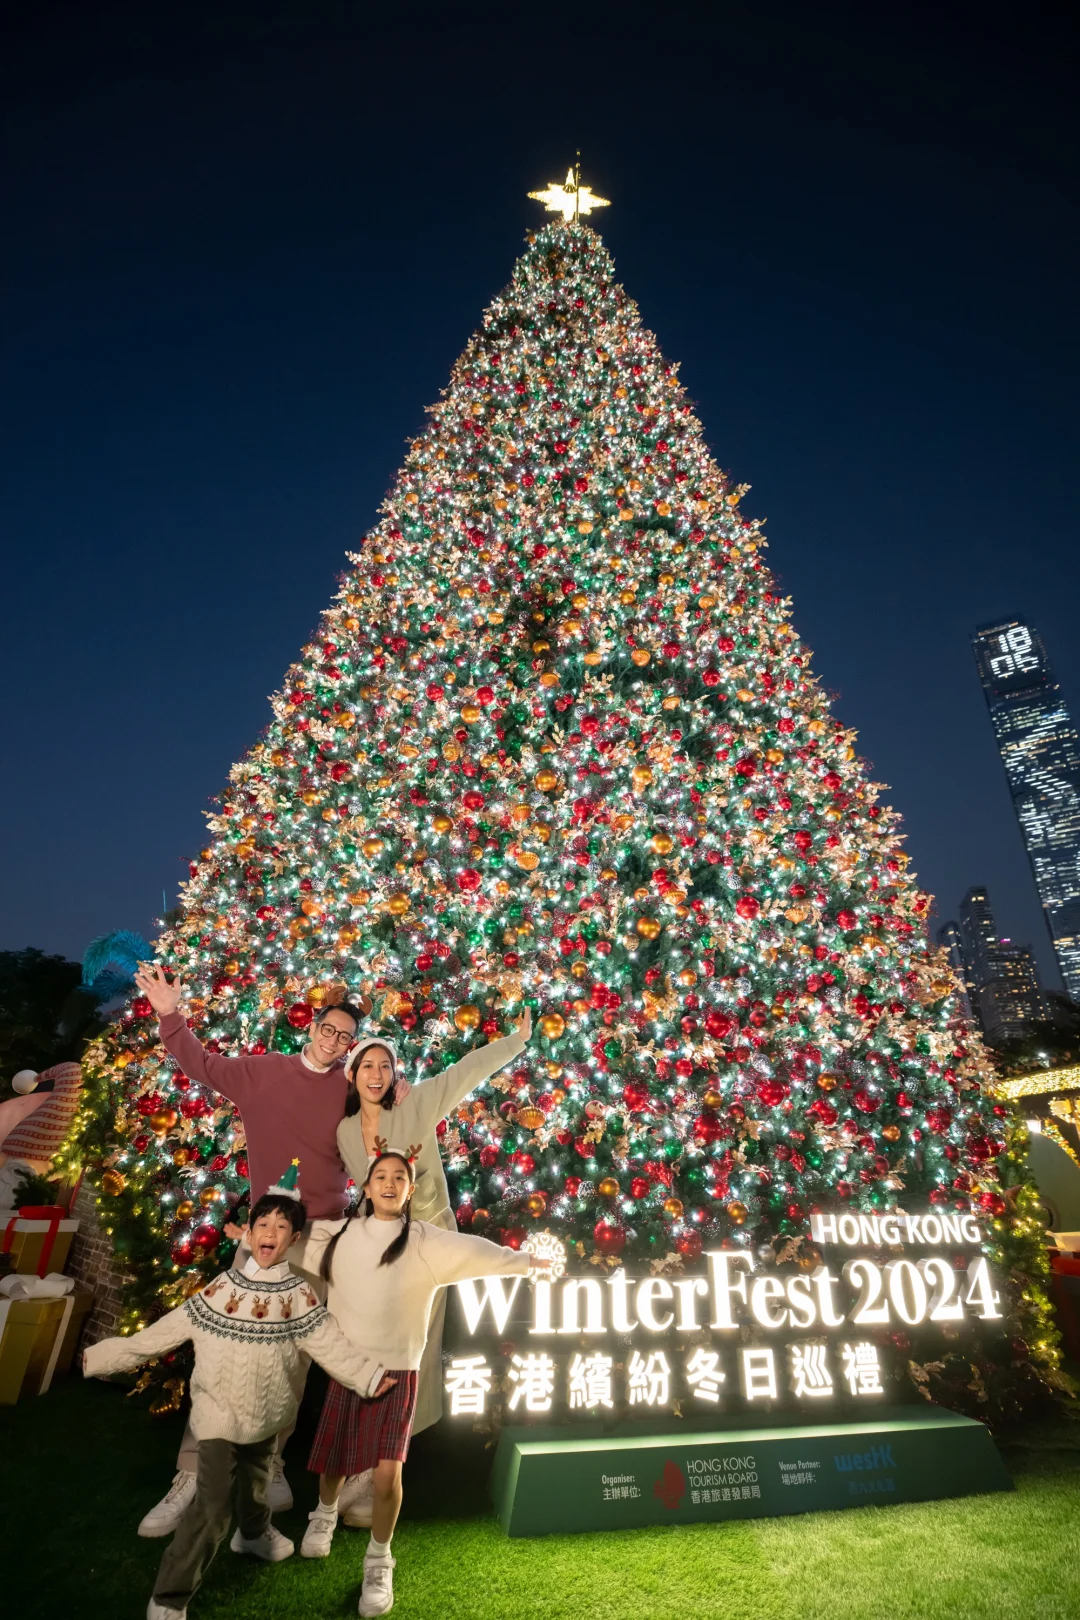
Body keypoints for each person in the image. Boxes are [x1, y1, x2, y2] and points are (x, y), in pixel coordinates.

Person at [83, 1166, 395, 1620]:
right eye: (263, 1224)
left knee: (256, 1486)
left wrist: (369, 1377)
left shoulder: (301, 1297)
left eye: (282, 1227)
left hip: (268, 1418)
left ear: (293, 1239)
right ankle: (169, 1598)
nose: (271, 1233)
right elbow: (162, 1333)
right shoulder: (219, 1291)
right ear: (248, 1234)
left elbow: (331, 1344)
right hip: (218, 1418)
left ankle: (253, 1534)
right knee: (210, 1511)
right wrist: (105, 1357)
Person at [131, 963, 371, 1535]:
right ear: (311, 1027)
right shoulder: (262, 1072)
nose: (334, 1041)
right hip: (267, 1235)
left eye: (345, 1037)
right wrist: (170, 1014)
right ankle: (191, 1476)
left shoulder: (350, 1090)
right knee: (223, 1350)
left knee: (297, 1355)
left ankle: (272, 1463)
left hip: (325, 1237)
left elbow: (386, 1125)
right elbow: (202, 1064)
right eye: (328, 1030)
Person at [292, 1150, 542, 1617]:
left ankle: (378, 1558)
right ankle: (323, 1514)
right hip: (348, 1369)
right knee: (336, 1461)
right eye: (380, 1176)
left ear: (410, 1189)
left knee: (388, 1475)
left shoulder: (427, 1241)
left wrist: (525, 1262)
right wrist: (256, 1237)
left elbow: (476, 1252)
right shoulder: (339, 1236)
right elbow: (287, 1239)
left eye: (399, 1177)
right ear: (365, 1187)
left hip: (398, 1374)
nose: (389, 1183)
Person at [331, 1007, 531, 1527]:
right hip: (379, 1244)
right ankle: (359, 1466)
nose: (376, 1075)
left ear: (395, 1073)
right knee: (369, 1344)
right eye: (365, 1065)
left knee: (414, 1349)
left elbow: (464, 1072)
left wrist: (516, 1040)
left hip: (429, 1241)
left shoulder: (416, 1104)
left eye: (384, 1066)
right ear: (352, 1073)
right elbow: (364, 1190)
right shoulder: (346, 1132)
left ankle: (385, 1469)